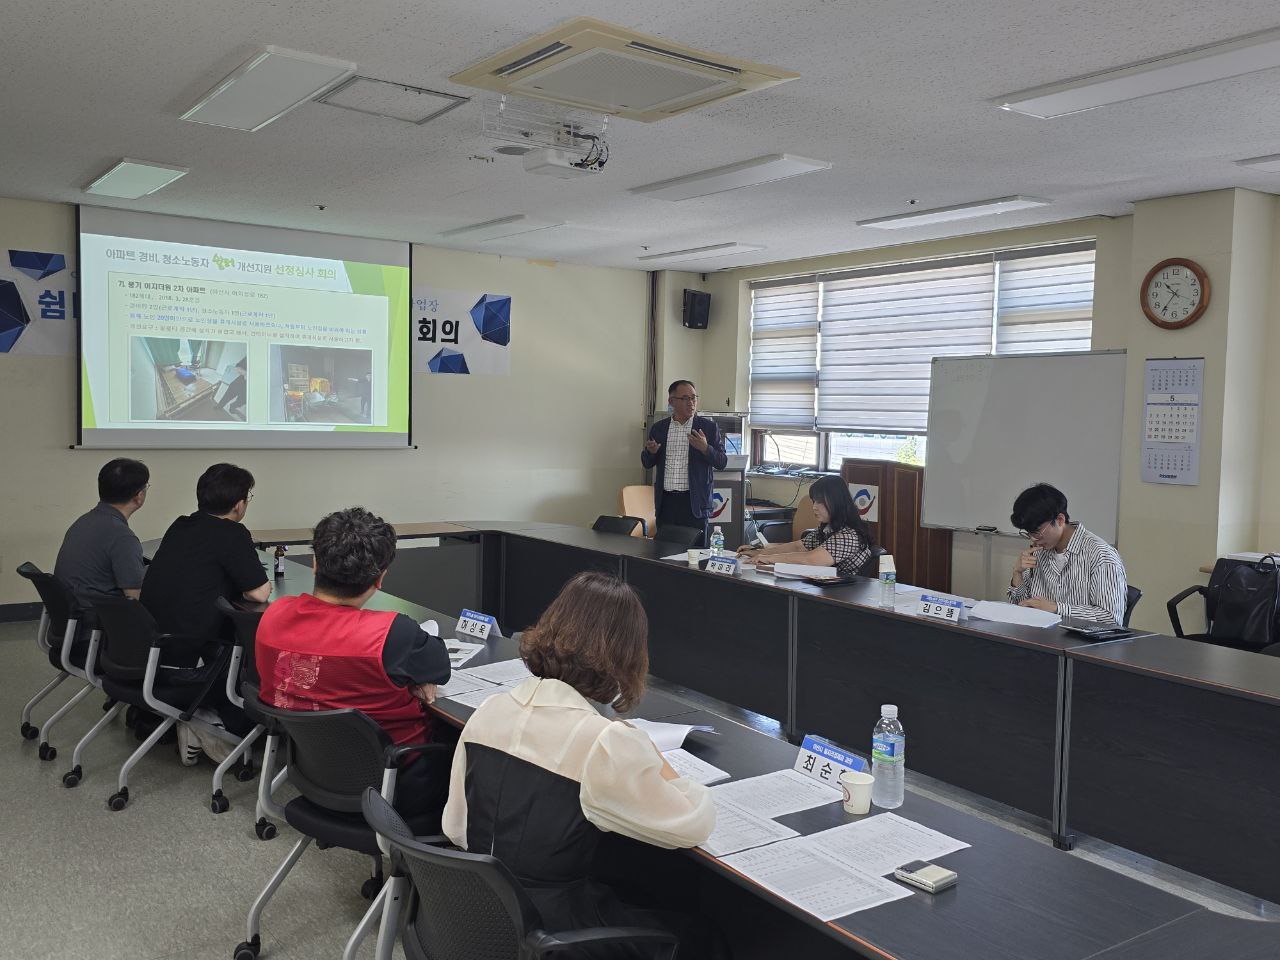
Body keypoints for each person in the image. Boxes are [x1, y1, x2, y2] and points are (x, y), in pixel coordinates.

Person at [443, 572, 724, 960]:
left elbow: (455, 828)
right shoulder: (602, 742)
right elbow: (693, 823)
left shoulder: (489, 710)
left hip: (478, 912)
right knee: (700, 934)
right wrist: (659, 762)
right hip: (554, 934)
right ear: (626, 657)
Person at [256, 507, 452, 821]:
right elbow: (440, 667)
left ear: (315, 563)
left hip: (311, 772)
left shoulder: (274, 615)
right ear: (381, 577)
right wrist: (412, 675)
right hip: (398, 783)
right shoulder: (392, 635)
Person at [141, 463, 271, 660]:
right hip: (189, 651)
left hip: (151, 644)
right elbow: (260, 594)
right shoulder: (232, 532)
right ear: (238, 504)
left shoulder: (181, 525)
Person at [1007, 483, 1127, 624]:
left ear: (1060, 520)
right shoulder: (1038, 551)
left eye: (1037, 532)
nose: (1033, 539)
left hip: (1082, 643)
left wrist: (1057, 608)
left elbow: (1110, 618)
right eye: (1028, 533)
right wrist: (1017, 573)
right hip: (1040, 638)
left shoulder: (1101, 555)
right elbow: (1022, 607)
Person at [640, 380, 728, 546]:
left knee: (696, 557)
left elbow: (722, 462)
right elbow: (646, 463)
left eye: (694, 398)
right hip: (666, 503)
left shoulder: (708, 428)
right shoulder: (659, 428)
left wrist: (705, 448)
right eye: (686, 398)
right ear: (671, 401)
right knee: (663, 554)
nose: (691, 403)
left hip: (694, 504)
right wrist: (650, 453)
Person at [737, 474, 875, 579]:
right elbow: (798, 546)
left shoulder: (849, 535)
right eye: (814, 501)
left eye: (820, 502)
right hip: (827, 587)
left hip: (847, 595)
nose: (814, 507)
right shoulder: (828, 528)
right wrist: (758, 552)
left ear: (836, 502)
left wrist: (769, 558)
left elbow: (811, 559)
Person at [54, 458, 149, 606]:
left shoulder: (83, 521)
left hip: (72, 615)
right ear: (139, 496)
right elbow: (135, 601)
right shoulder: (122, 537)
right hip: (99, 619)